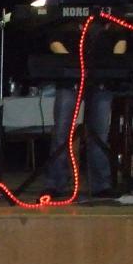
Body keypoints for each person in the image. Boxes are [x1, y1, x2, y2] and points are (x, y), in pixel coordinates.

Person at [41, 18, 127, 199]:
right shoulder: (66, 21)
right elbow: (54, 41)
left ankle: (101, 185)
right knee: (62, 132)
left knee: (99, 134)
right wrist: (74, 66)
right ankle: (55, 183)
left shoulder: (111, 19)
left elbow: (121, 42)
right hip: (70, 81)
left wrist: (111, 67)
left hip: (101, 80)